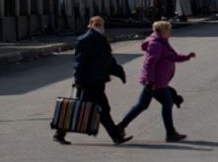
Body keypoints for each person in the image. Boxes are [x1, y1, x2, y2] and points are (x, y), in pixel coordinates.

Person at [54, 16, 132, 145]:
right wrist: (79, 80)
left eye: (101, 24)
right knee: (101, 109)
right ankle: (116, 136)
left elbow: (108, 59)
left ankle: (59, 133)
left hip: (97, 80)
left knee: (84, 108)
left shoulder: (101, 39)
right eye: (97, 24)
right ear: (90, 24)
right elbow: (80, 61)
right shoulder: (86, 39)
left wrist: (119, 71)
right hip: (89, 82)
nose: (99, 27)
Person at [118, 20, 195, 142]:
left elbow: (171, 56)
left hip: (155, 81)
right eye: (169, 30)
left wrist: (186, 57)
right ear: (163, 31)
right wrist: (150, 81)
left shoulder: (162, 42)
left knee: (142, 105)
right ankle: (170, 133)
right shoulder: (156, 44)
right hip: (155, 82)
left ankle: (120, 127)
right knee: (167, 103)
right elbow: (150, 63)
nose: (170, 32)